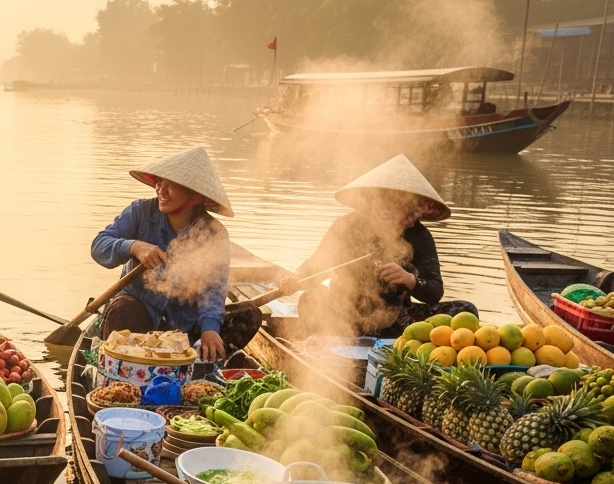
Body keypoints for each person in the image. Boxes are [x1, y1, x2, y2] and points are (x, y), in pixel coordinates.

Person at [91, 147, 262, 363]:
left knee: (250, 314)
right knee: (123, 308)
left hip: (184, 329)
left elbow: (213, 288)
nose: (161, 190)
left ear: (194, 194)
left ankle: (198, 359)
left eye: (170, 185)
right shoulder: (140, 212)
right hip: (139, 321)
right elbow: (99, 246)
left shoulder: (213, 233)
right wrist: (134, 246)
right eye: (159, 182)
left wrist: (210, 329)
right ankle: (128, 369)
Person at [279, 155, 476, 338]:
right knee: (310, 300)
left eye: (406, 210)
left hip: (396, 321)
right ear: (374, 201)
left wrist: (410, 280)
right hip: (344, 313)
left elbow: (435, 291)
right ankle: (335, 345)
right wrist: (297, 277)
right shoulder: (347, 226)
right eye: (387, 205)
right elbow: (317, 266)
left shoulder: (419, 236)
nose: (399, 217)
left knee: (465, 310)